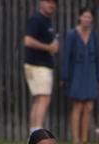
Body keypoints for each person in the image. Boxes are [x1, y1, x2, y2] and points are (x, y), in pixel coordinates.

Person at [60, 6, 99, 144]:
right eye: (84, 16)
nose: (87, 19)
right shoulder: (72, 34)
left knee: (89, 107)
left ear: (92, 19)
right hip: (76, 74)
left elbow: (98, 57)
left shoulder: (94, 35)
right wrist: (64, 76)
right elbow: (66, 57)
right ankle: (75, 139)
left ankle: (84, 139)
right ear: (79, 17)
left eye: (89, 17)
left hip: (90, 73)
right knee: (77, 106)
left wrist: (98, 77)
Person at [24, 0, 59, 134]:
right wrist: (48, 47)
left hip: (42, 64)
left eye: (53, 3)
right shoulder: (37, 19)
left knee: (40, 98)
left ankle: (34, 131)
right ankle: (37, 131)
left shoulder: (47, 21)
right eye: (48, 2)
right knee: (44, 98)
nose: (51, 5)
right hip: (38, 64)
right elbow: (28, 41)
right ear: (41, 3)